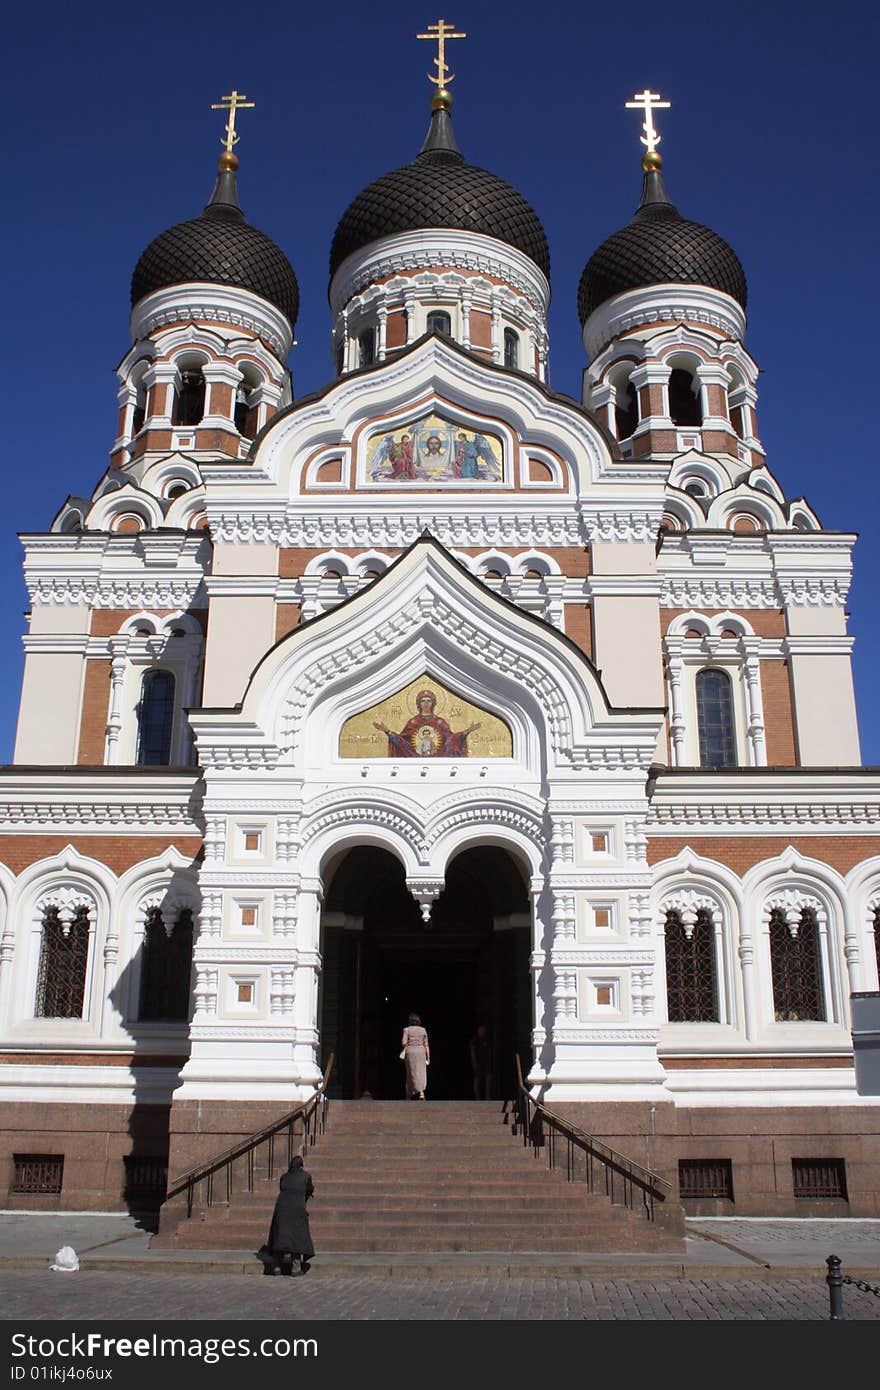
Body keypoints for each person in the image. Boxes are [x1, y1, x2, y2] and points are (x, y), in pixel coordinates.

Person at [374, 689, 480, 758]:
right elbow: (403, 743)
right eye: (423, 701)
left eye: (428, 701)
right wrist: (388, 732)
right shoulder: (413, 722)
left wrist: (467, 731)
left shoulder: (440, 722)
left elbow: (451, 740)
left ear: (433, 703)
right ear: (418, 704)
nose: (426, 703)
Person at [261, 1154, 315, 1276]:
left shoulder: (284, 1177)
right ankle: (295, 1268)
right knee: (297, 1237)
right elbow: (309, 1189)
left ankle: (276, 1267)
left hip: (281, 1208)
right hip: (297, 1209)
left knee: (280, 1237)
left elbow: (282, 1188)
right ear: (301, 1166)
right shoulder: (306, 1176)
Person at [401, 1012, 430, 1100]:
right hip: (421, 1052)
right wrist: (428, 1057)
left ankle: (409, 1095)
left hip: (411, 1052)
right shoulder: (423, 1030)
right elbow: (426, 1045)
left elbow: (403, 1043)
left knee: (411, 1073)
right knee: (421, 1073)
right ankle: (421, 1092)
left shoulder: (406, 1030)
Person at [469, 1023, 492, 1100]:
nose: (482, 1031)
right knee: (477, 1080)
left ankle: (487, 1096)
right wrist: (474, 1062)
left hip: (486, 1062)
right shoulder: (475, 1041)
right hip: (478, 1063)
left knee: (488, 1078)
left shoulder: (487, 1040)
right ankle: (477, 1098)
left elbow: (489, 1051)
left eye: (483, 1030)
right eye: (480, 1030)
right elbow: (472, 1052)